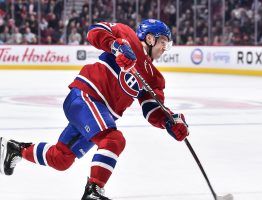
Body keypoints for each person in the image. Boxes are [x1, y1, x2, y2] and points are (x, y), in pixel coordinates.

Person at [0, 19, 189, 200]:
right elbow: (94, 31)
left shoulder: (155, 79)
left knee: (61, 159)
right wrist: (116, 46)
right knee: (113, 140)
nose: (165, 48)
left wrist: (168, 121)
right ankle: (94, 191)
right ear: (150, 38)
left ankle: (16, 150)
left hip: (100, 115)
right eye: (163, 41)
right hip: (86, 97)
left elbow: (151, 110)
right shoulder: (127, 36)